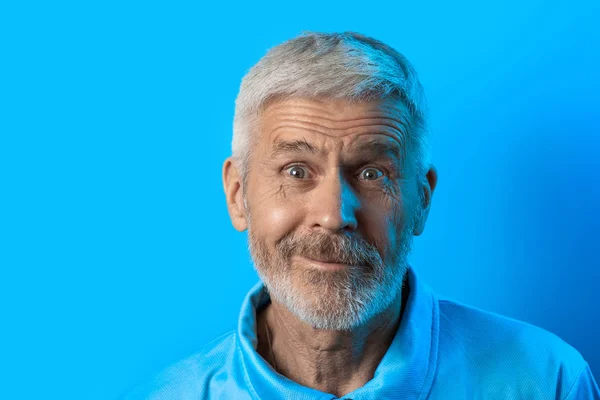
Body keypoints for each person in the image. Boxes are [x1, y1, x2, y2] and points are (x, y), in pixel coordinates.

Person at [125, 31, 599, 399]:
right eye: (296, 170)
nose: (334, 215)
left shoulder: (547, 383)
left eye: (372, 173)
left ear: (422, 201)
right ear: (237, 195)